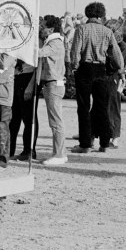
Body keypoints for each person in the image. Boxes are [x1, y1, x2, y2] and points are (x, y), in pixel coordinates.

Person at [70, 2, 124, 153]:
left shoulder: (81, 29)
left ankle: (86, 144)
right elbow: (116, 53)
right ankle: (105, 143)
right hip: (101, 69)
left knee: (83, 107)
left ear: (88, 14)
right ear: (101, 14)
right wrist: (121, 69)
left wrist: (74, 67)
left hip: (85, 68)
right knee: (101, 106)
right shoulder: (107, 31)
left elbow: (75, 51)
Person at [37, 15, 68, 165]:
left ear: (51, 29)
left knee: (56, 122)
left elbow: (39, 53)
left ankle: (60, 154)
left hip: (54, 84)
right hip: (52, 84)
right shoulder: (53, 42)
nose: (41, 29)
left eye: (43, 27)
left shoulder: (54, 43)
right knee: (54, 121)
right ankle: (58, 152)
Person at [9, 59, 38, 161]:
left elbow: (39, 66)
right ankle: (8, 149)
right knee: (13, 117)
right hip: (15, 76)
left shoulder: (36, 43)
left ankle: (29, 151)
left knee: (29, 118)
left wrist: (31, 85)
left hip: (28, 77)